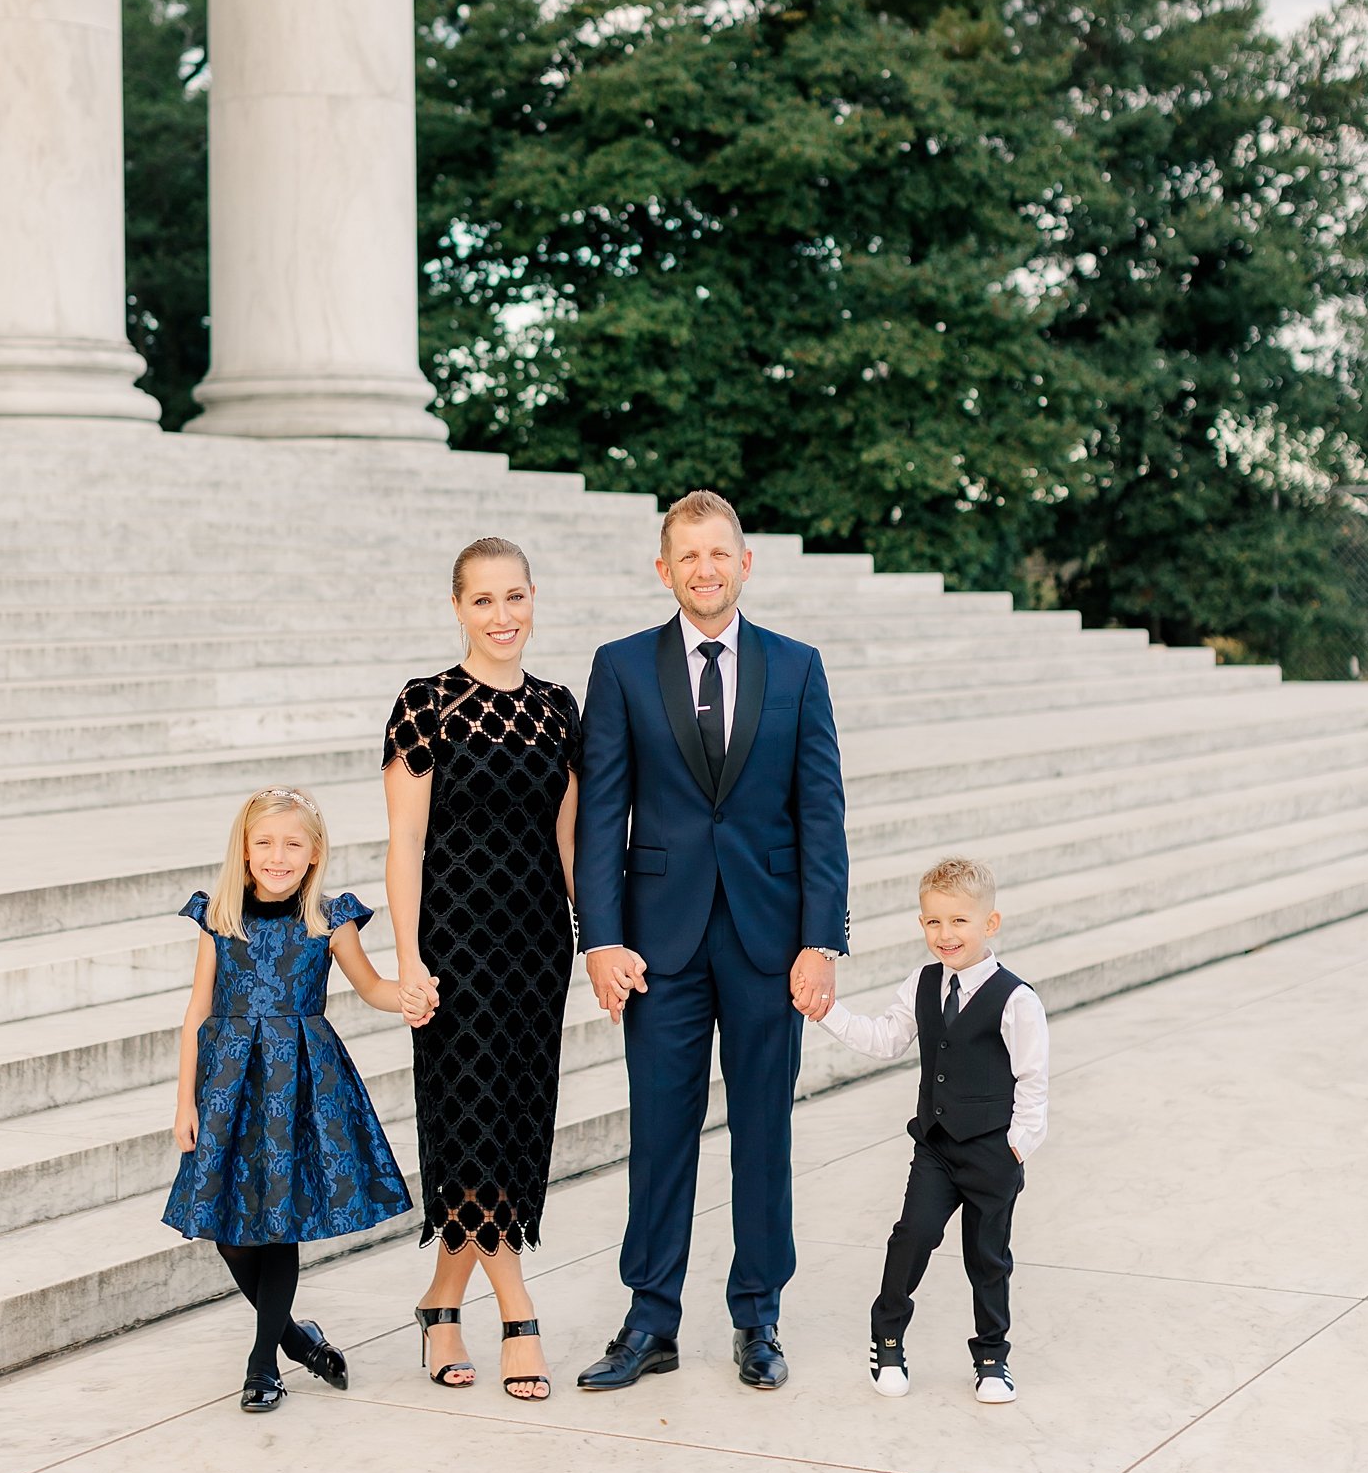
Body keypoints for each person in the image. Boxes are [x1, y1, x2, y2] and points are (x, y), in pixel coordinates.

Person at [573, 489, 849, 1393]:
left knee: (764, 1133)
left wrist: (822, 941)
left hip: (771, 944)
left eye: (719, 553)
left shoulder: (797, 668)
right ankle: (651, 1319)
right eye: (687, 555)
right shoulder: (619, 668)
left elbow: (822, 814)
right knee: (660, 1135)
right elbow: (601, 813)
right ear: (664, 569)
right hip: (658, 947)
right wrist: (600, 941)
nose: (704, 568)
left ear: (745, 562)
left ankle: (758, 1315)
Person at [383, 537, 581, 1401]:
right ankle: (517, 1313)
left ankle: (439, 1303)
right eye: (483, 601)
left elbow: (569, 841)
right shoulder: (425, 704)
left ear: (534, 599)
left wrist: (598, 936)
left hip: (539, 945)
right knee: (469, 1121)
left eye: (515, 597)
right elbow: (405, 843)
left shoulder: (559, 708)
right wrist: (407, 959)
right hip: (455, 947)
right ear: (457, 609)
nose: (502, 616)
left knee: (515, 1123)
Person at [165, 786, 432, 1413]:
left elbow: (372, 988)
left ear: (314, 853)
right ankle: (296, 1339)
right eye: (264, 843)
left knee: (278, 1220)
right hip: (229, 1084)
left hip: (300, 1083)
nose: (277, 856)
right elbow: (196, 1013)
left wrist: (411, 993)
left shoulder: (328, 918)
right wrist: (186, 1102)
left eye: (292, 844)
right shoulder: (218, 915)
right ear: (245, 848)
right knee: (230, 1229)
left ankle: (263, 1366)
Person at [822, 855, 1049, 1404]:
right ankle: (888, 1336)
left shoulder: (1016, 999)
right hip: (938, 1148)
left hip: (994, 1151)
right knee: (913, 1237)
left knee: (988, 1257)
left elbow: (1033, 1079)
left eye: (959, 922)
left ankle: (992, 1358)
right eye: (933, 922)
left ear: (989, 924)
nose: (945, 935)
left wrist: (1017, 1146)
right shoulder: (921, 985)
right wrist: (825, 1012)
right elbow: (884, 1039)